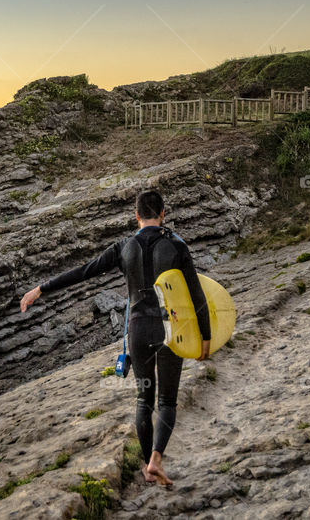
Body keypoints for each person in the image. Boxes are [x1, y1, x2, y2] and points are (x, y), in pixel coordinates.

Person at [19, 190, 211, 486]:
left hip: (137, 328)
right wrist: (206, 337)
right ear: (163, 213)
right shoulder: (175, 245)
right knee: (167, 401)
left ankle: (149, 467)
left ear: (136, 216)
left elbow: (84, 271)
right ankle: (156, 461)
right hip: (168, 328)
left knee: (144, 399)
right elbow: (196, 294)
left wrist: (40, 289)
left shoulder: (124, 247)